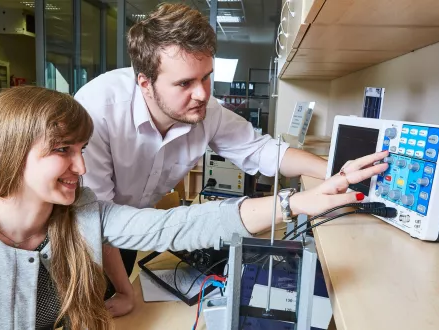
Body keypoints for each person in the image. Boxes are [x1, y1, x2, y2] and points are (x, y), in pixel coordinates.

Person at [0, 86, 387, 329]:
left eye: (82, 148)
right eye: (63, 149)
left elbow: (178, 225)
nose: (81, 165)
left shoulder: (83, 213)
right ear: (10, 152)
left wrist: (297, 201)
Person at [74, 3, 331, 316]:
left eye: (206, 77)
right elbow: (98, 218)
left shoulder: (207, 110)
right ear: (145, 83)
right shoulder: (97, 112)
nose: (202, 94)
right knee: (94, 308)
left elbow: (260, 150)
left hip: (136, 226)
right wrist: (124, 290)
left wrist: (333, 171)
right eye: (185, 83)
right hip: (85, 239)